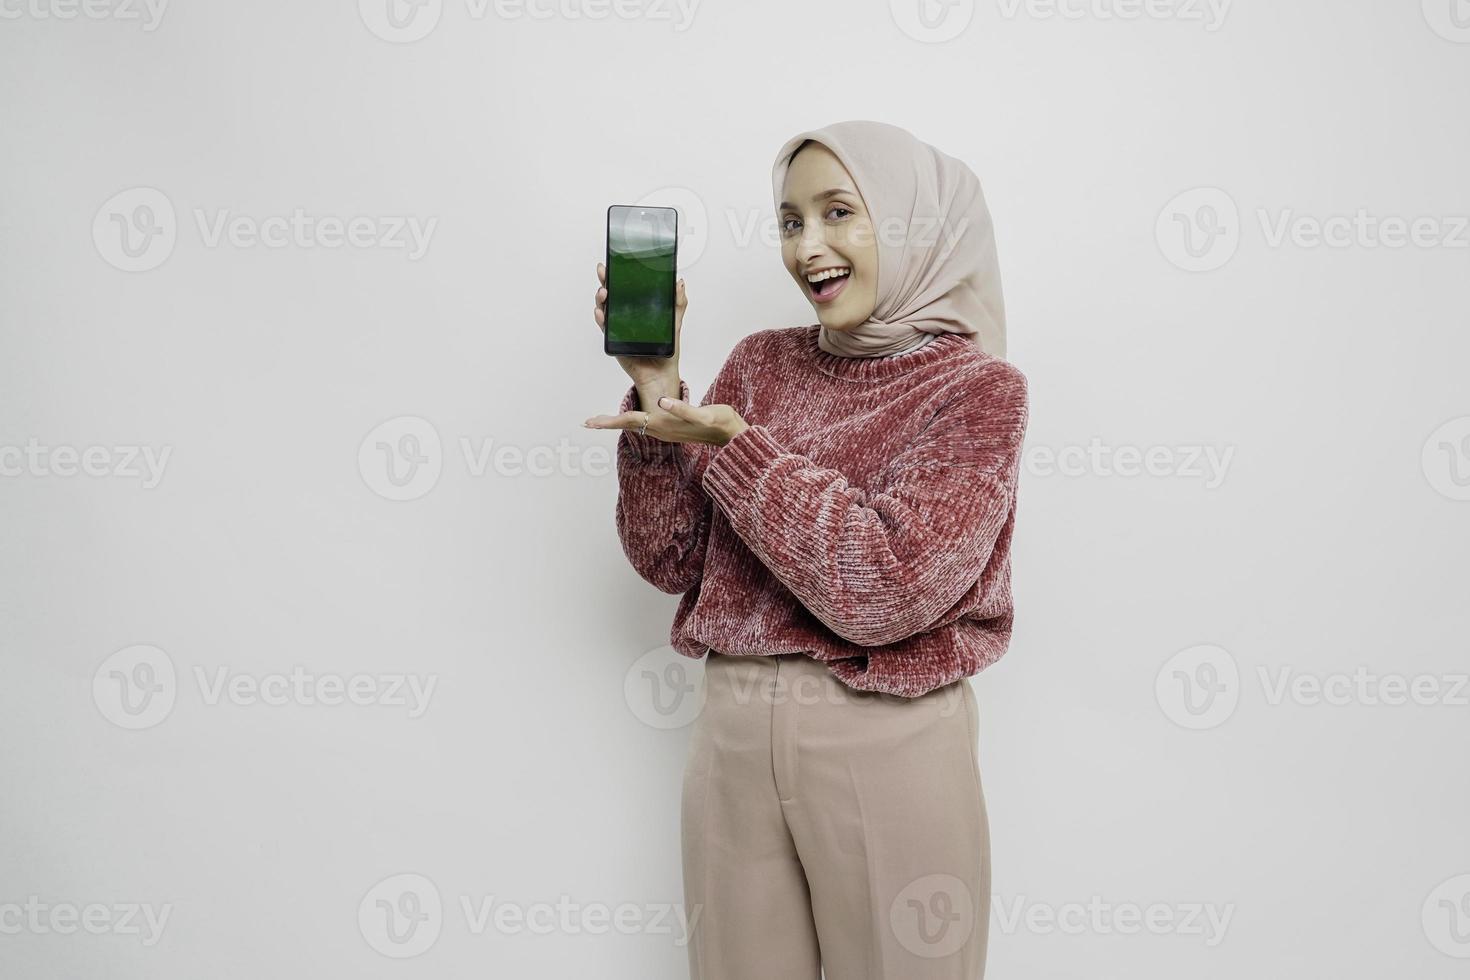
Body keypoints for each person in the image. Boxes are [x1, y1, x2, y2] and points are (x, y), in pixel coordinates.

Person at [584, 119, 1028, 980]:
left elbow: (886, 587)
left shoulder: (978, 393)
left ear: (912, 225)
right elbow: (672, 560)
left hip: (890, 740)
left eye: (838, 213)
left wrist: (739, 448)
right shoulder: (757, 365)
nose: (809, 247)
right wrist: (657, 401)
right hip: (734, 739)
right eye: (791, 221)